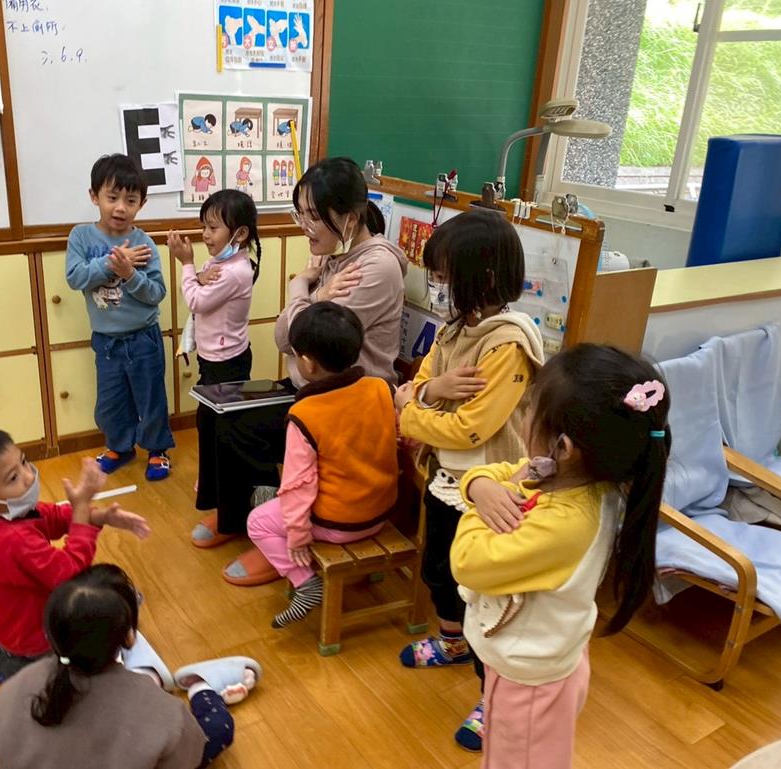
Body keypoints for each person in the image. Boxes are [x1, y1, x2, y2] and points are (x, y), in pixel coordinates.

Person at [451, 345, 670, 769]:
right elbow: (504, 472)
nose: (524, 416)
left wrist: (487, 499)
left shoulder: (567, 525)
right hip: (538, 659)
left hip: (530, 683)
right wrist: (480, 485)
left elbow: (468, 562)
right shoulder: (576, 477)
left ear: (565, 447)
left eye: (529, 409)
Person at [193, 157, 405, 585]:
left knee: (243, 429)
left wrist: (302, 288)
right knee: (220, 412)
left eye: (312, 216)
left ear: (349, 218)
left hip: (348, 404)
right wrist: (312, 294)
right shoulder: (336, 256)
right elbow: (289, 335)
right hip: (311, 387)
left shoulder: (374, 268)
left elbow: (294, 337)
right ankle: (237, 517)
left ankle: (277, 537)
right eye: (300, 214)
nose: (305, 227)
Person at [394, 210, 544, 752]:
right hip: (446, 478)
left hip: (492, 489)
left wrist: (410, 413)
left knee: (487, 597)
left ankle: (494, 698)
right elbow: (419, 383)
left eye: (444, 275)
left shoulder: (509, 344)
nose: (437, 284)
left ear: (481, 277)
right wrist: (427, 393)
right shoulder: (457, 327)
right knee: (439, 568)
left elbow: (470, 427)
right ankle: (453, 644)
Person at [0, 427, 149, 683]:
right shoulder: (12, 540)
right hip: (32, 640)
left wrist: (98, 516)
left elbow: (50, 517)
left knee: (111, 596)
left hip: (7, 619)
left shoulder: (0, 514)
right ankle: (22, 664)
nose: (29, 476)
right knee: (106, 621)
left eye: (24, 462)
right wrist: (82, 509)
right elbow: (71, 574)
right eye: (13, 478)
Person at [0, 564, 261, 769]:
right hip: (154, 720)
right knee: (218, 728)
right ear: (130, 637)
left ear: (50, 634)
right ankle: (201, 688)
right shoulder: (164, 714)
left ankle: (146, 675)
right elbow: (188, 758)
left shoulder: (11, 691)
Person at [246, 303, 399, 626]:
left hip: (337, 523)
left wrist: (297, 534)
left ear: (308, 363)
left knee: (258, 522)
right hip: (381, 513)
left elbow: (299, 483)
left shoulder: (305, 414)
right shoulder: (381, 388)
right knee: (274, 501)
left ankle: (306, 584)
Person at [66, 153, 174, 482]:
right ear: (94, 196)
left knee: (151, 398)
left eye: (130, 200)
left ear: (142, 203)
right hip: (106, 340)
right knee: (111, 402)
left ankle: (157, 450)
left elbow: (156, 293)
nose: (120, 208)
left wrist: (129, 273)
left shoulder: (144, 244)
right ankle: (120, 447)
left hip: (143, 337)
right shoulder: (81, 237)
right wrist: (110, 264)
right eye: (112, 198)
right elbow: (76, 278)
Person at [168, 190, 261, 526]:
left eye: (213, 228)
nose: (205, 235)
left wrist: (187, 264)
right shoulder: (221, 262)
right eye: (203, 226)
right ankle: (214, 482)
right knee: (208, 424)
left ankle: (226, 493)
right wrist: (198, 273)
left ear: (240, 233)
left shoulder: (235, 271)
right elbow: (201, 287)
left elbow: (196, 301)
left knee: (221, 429)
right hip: (214, 360)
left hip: (227, 363)